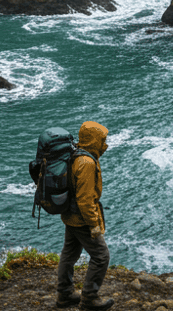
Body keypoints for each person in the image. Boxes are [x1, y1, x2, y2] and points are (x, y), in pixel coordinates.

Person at [56, 120, 113, 310]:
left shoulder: (76, 155)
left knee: (69, 254)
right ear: (93, 140)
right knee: (101, 256)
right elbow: (85, 201)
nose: (105, 145)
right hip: (81, 219)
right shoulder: (87, 163)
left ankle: (64, 295)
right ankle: (89, 298)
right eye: (102, 140)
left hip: (70, 216)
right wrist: (94, 225)